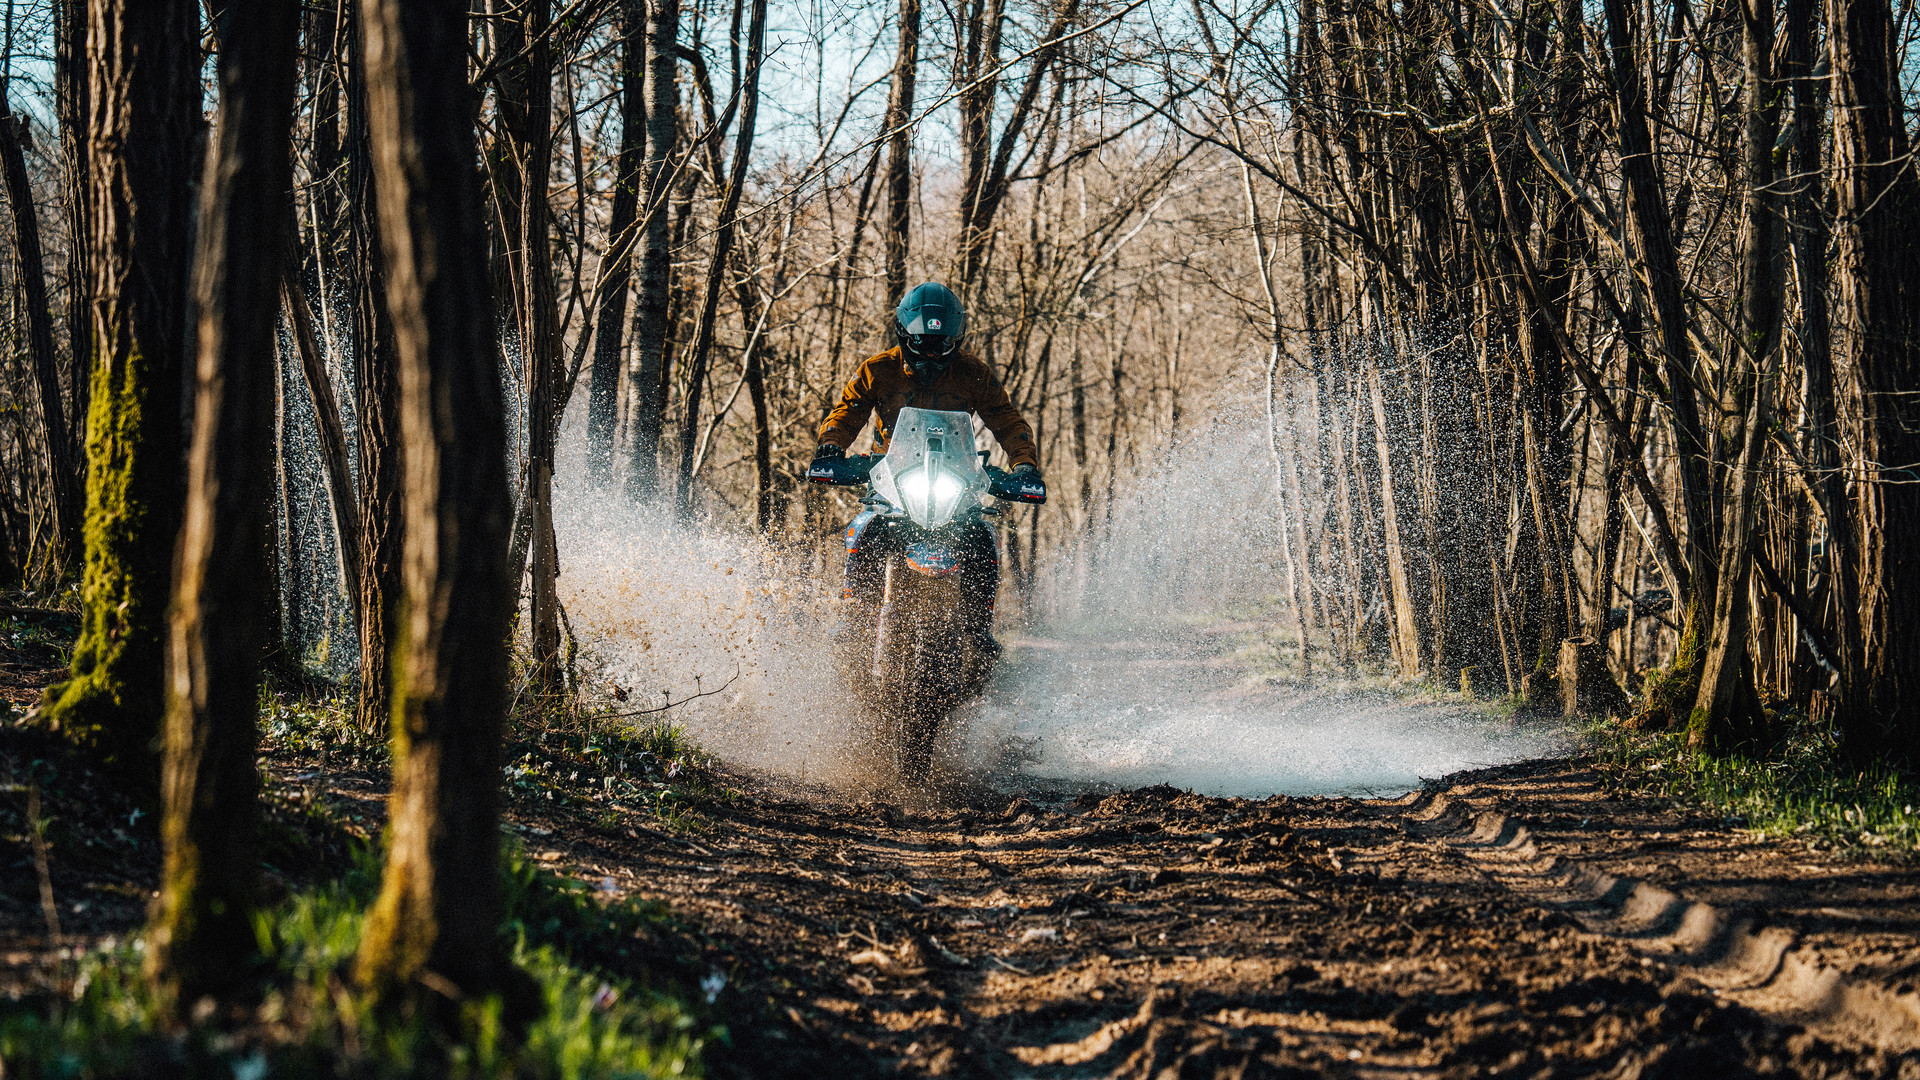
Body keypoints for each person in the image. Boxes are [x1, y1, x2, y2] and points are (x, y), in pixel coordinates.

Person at [812, 282, 1041, 657]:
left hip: (955, 479)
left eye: (942, 346)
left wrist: (1024, 466)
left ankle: (978, 627)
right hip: (891, 479)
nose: (932, 356)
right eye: (922, 345)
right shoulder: (878, 369)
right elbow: (847, 410)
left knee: (982, 536)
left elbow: (1006, 420)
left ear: (956, 339)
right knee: (866, 529)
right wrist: (831, 447)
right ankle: (855, 619)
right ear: (904, 335)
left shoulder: (973, 373)